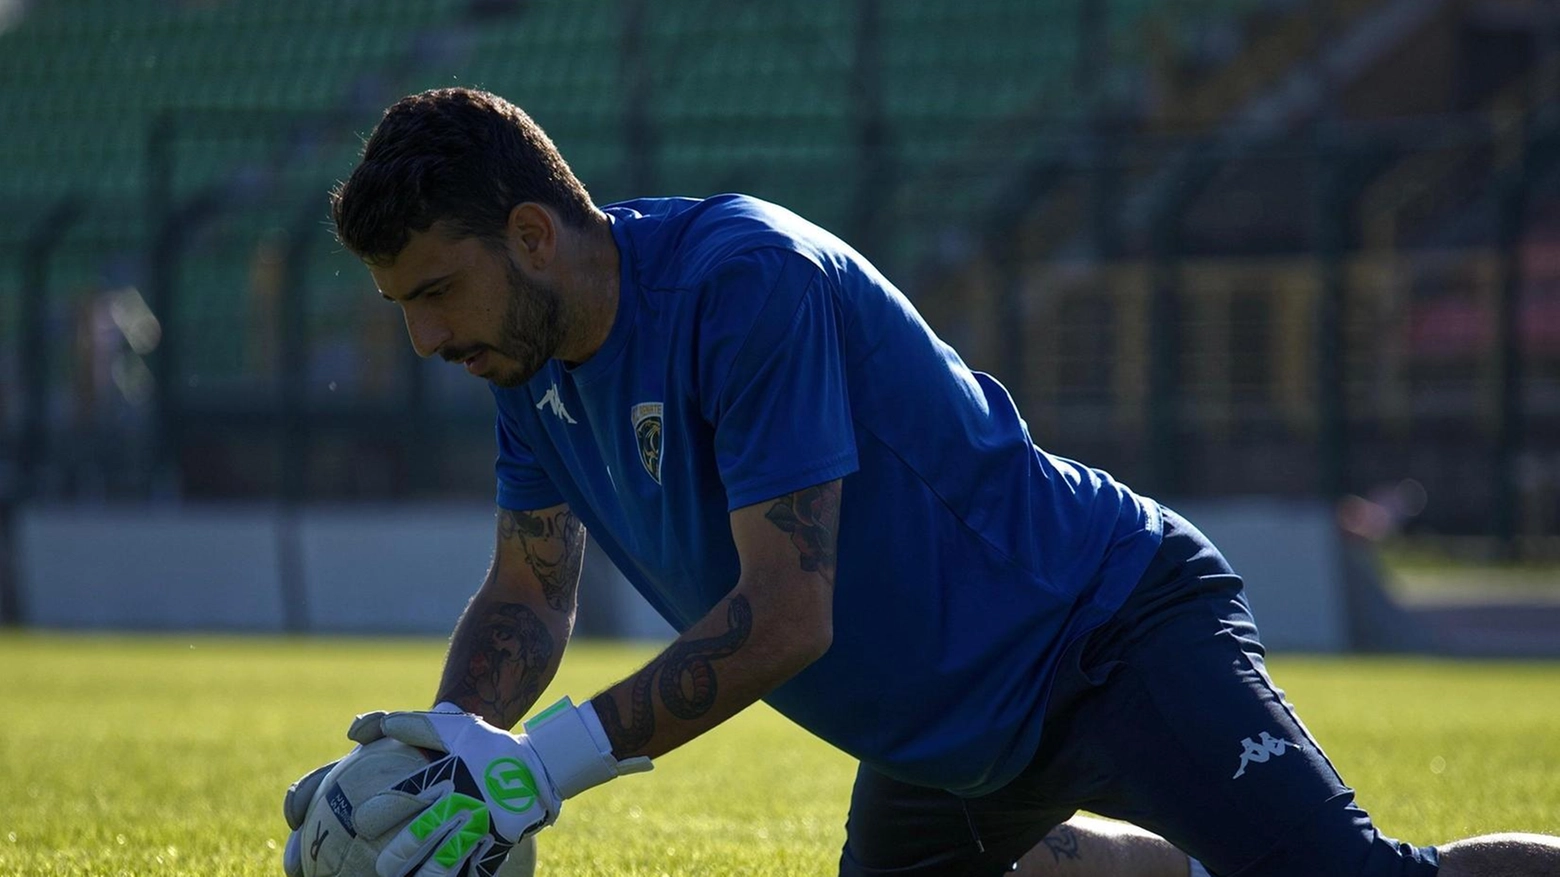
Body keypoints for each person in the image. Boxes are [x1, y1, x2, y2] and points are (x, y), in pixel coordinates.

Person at [283, 87, 1559, 877]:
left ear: (528, 234)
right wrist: (456, 751)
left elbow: (788, 615)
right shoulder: (525, 366)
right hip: (941, 736)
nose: (426, 342)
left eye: (435, 294)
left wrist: (540, 768)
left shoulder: (742, 280)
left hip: (1103, 632)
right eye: (403, 308)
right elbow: (528, 589)